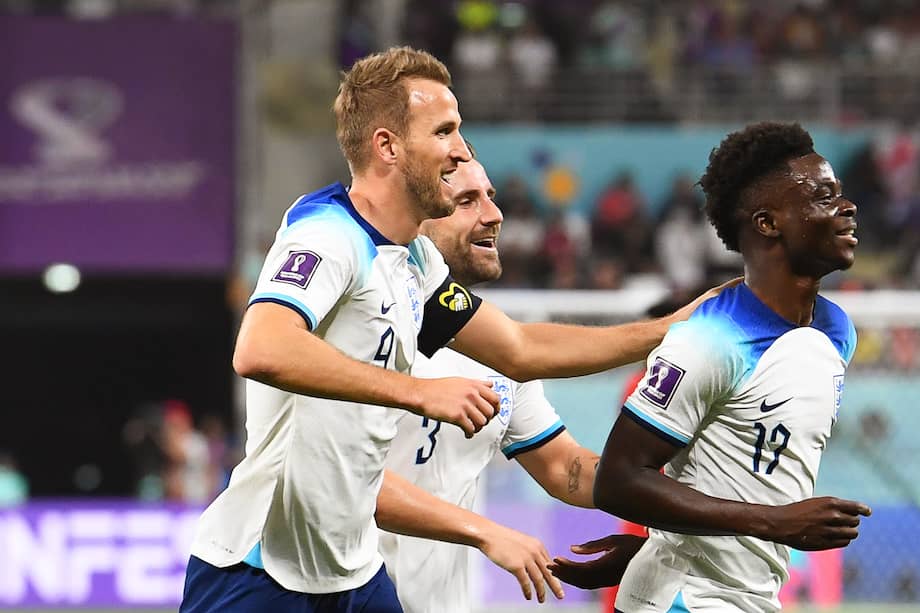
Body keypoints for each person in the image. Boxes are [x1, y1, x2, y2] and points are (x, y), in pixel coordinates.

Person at [181, 46, 725, 613]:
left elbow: (518, 347)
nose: (458, 149)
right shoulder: (328, 235)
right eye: (443, 131)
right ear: (387, 146)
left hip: (353, 575)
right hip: (261, 571)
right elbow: (261, 346)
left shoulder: (416, 260)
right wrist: (418, 391)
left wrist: (674, 328)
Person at [551, 122, 871, 612]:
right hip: (687, 600)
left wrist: (662, 544)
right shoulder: (706, 341)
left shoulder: (835, 331)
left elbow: (727, 468)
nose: (846, 208)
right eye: (824, 196)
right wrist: (776, 521)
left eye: (841, 194)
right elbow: (618, 479)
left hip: (748, 595)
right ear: (768, 223)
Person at [376, 156, 599, 612]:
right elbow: (340, 480)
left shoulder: (499, 356)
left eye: (491, 198)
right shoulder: (364, 326)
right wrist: (485, 531)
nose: (494, 215)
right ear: (417, 210)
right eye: (467, 201)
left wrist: (669, 484)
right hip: (336, 597)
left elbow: (563, 469)